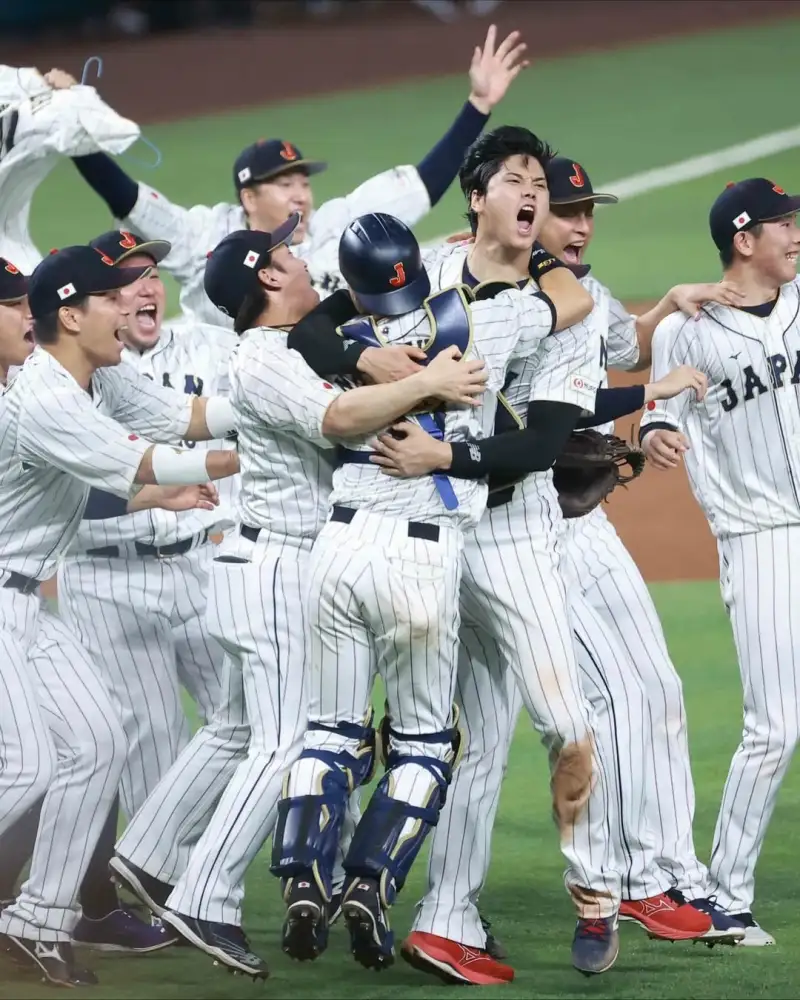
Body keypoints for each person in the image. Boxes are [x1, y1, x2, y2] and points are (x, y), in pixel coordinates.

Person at [123, 215, 486, 979]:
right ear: (267, 279)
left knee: (235, 728)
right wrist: (426, 383)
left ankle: (146, 857)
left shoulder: (284, 345)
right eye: (287, 252)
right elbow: (338, 416)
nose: (300, 255)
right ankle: (206, 898)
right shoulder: (265, 358)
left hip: (262, 562)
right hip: (277, 568)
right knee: (292, 743)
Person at [269, 205, 599, 976]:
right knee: (422, 742)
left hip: (338, 546)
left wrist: (372, 357)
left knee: (330, 733)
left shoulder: (332, 343)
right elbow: (573, 302)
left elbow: (307, 330)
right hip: (422, 556)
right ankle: (370, 884)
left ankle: (300, 879)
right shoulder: (492, 318)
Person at [0, 245, 238, 986]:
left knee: (99, 741)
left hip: (26, 597)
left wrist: (290, 409)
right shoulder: (45, 396)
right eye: (113, 293)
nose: (133, 298)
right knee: (29, 763)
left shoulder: (97, 373)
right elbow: (151, 462)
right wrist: (268, 448)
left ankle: (38, 919)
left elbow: (184, 416)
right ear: (70, 314)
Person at [51, 24, 529, 326]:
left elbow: (425, 183)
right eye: (284, 184)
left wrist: (478, 107)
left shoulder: (338, 223)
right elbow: (129, 199)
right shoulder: (205, 235)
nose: (300, 194)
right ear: (248, 196)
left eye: (303, 182)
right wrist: (77, 136)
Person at [640, 177, 800, 947]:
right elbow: (657, 414)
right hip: (761, 538)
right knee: (774, 726)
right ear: (744, 240)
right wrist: (655, 435)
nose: (796, 234)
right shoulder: (687, 330)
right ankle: (725, 898)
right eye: (784, 224)